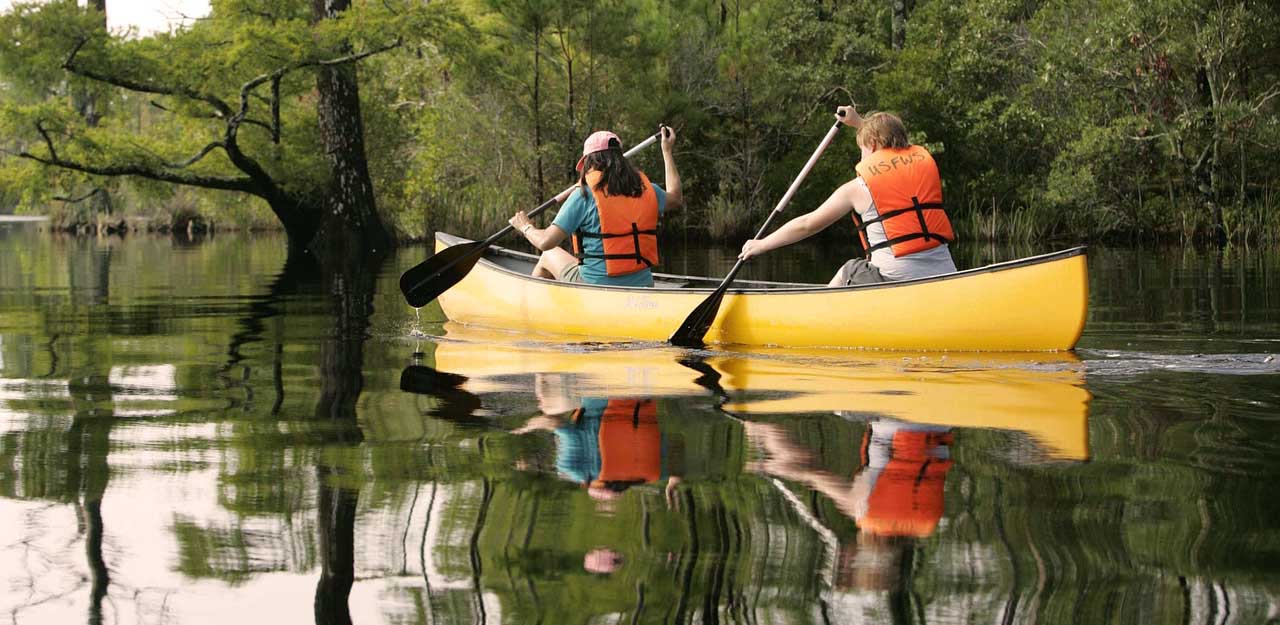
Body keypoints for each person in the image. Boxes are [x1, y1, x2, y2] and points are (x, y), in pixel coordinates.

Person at [738, 106, 957, 286]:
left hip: (895, 281)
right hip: (944, 276)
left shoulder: (857, 188)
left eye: (861, 148)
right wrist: (860, 123)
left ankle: (820, 319)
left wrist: (761, 244)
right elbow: (885, 139)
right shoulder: (923, 167)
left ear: (870, 145)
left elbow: (807, 224)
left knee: (850, 269)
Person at [509, 126, 683, 287]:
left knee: (548, 255)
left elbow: (546, 242)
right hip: (642, 285)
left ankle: (539, 311)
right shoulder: (646, 189)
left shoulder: (583, 195)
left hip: (596, 288)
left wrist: (525, 227)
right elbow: (675, 198)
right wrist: (666, 151)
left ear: (590, 162)